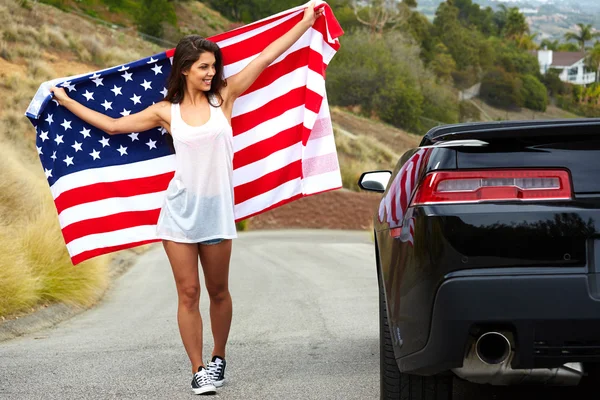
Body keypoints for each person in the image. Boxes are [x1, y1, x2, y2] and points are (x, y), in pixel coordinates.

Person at [50, 2, 324, 395]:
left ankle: (218, 358)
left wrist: (304, 22)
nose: (212, 73)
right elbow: (112, 126)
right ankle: (197, 370)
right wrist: (66, 100)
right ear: (185, 70)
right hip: (178, 212)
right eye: (204, 68)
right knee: (188, 293)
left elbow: (266, 55)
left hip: (216, 212)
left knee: (218, 291)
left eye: (214, 67)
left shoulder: (224, 99)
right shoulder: (166, 112)